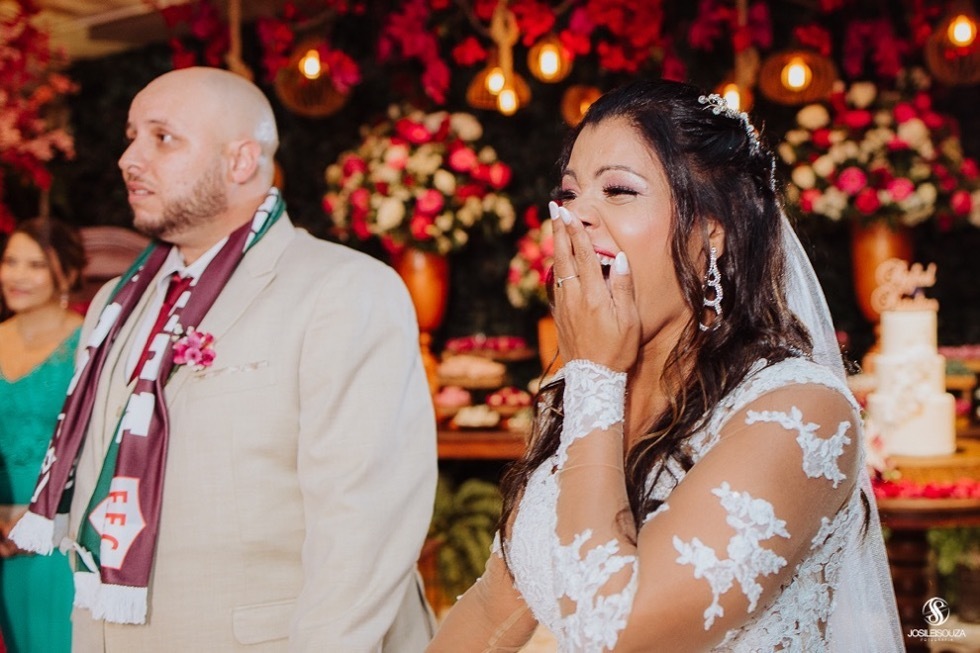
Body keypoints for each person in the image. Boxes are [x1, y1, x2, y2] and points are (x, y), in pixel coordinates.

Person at [427, 78, 903, 651]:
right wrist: (592, 382)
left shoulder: (800, 413)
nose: (578, 218)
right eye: (570, 194)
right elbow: (493, 608)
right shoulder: (581, 392)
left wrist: (595, 377)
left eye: (619, 191)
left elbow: (616, 631)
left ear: (710, 232)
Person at [11, 66, 438, 651]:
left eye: (162, 138)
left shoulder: (342, 289)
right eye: (132, 135)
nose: (129, 158)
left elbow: (364, 530)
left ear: (240, 161)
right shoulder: (114, 305)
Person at [0, 217, 84, 652]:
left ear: (66, 273)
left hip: (62, 542)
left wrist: (48, 518)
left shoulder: (89, 344)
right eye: (10, 261)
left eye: (34, 265)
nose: (17, 275)